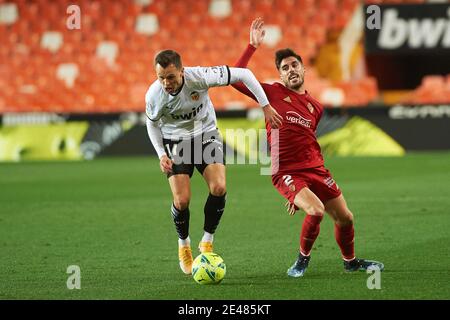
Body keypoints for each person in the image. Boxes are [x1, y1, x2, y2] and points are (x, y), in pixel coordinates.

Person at [231, 18, 384, 277]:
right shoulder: (271, 93)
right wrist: (251, 47)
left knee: (346, 217)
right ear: (280, 74)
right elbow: (235, 79)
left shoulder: (316, 107)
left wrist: (299, 193)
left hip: (315, 168)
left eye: (294, 65)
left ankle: (350, 262)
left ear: (303, 69)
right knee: (316, 211)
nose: (290, 69)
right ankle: (302, 260)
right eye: (284, 67)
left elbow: (305, 139)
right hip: (286, 170)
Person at [145, 49, 283, 275]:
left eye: (170, 77)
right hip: (175, 141)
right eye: (161, 78)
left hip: (205, 134)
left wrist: (265, 106)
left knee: (219, 187)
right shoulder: (154, 95)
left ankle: (207, 240)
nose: (166, 83)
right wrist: (161, 153)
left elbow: (244, 75)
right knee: (181, 201)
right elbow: (151, 124)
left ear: (182, 70)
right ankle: (184, 244)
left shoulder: (200, 76)